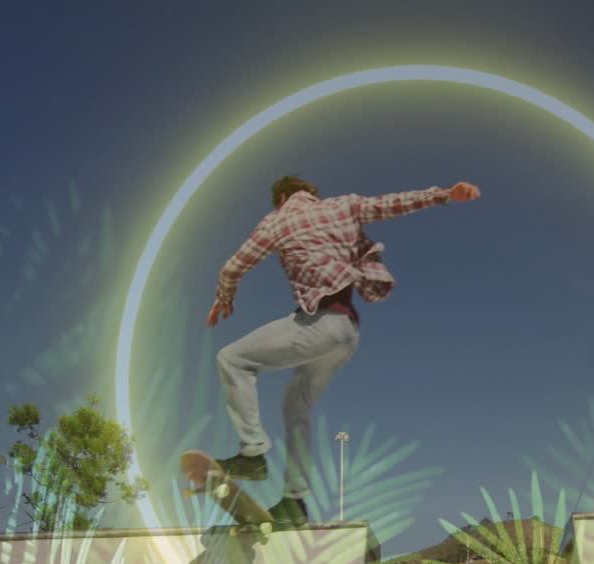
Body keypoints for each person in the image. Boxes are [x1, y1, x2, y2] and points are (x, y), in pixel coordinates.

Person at [201, 174, 481, 526]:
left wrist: (225, 297)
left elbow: (232, 267)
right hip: (347, 332)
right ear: (312, 193)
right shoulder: (344, 204)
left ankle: (252, 454)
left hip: (317, 325)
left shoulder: (278, 219)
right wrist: (444, 194)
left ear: (283, 196)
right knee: (296, 404)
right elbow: (390, 204)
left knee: (232, 359)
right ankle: (294, 502)